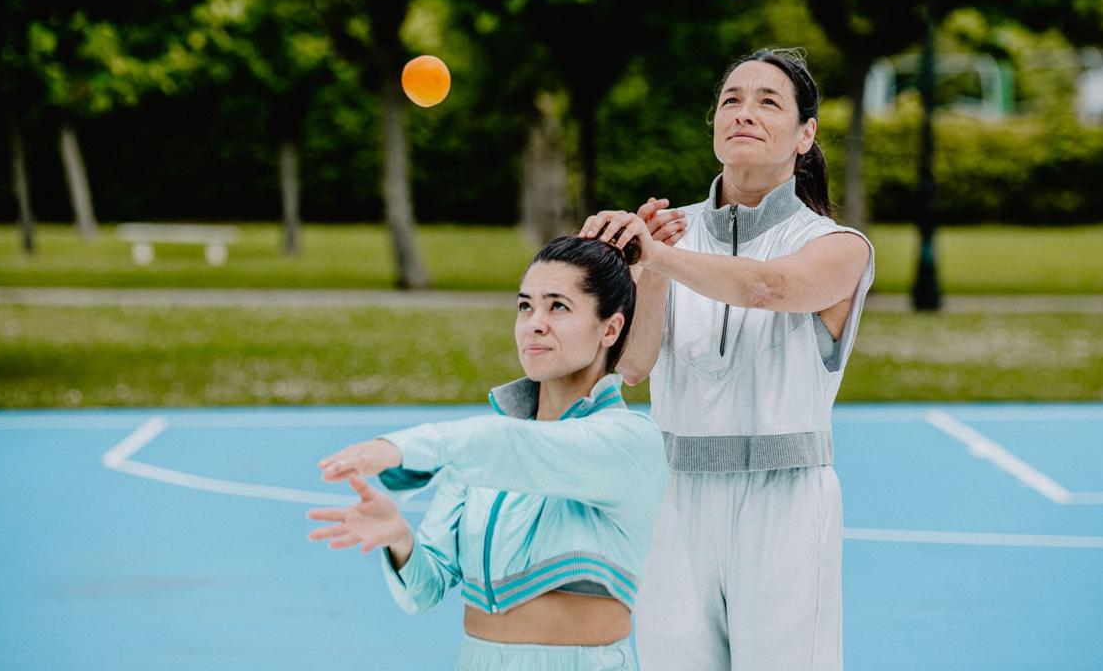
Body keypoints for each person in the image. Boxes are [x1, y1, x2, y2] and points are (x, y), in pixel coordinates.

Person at [580, 48, 874, 671]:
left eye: (769, 101)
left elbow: (770, 288)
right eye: (731, 100)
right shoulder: (667, 234)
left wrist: (655, 257)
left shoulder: (837, 246)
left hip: (786, 501)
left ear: (805, 136)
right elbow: (631, 369)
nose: (744, 112)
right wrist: (642, 270)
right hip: (673, 498)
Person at [307, 236, 668, 671]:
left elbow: (517, 450)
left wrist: (402, 448)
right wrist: (398, 537)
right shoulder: (482, 451)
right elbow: (424, 591)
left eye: (558, 307)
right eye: (524, 306)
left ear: (609, 329)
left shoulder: (626, 440)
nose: (534, 323)